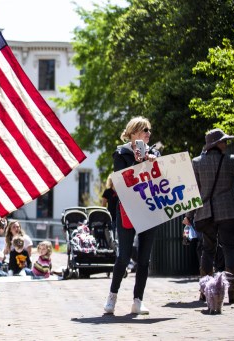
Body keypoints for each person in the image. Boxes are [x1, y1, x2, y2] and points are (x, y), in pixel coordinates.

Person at [104, 116, 160, 315]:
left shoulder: (155, 152)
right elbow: (120, 179)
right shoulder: (121, 153)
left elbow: (162, 178)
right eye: (145, 130)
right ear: (134, 132)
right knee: (124, 256)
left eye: (149, 131)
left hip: (149, 208)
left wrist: (153, 162)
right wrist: (139, 162)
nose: (148, 134)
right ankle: (112, 296)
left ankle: (138, 300)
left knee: (144, 259)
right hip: (128, 209)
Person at [183, 128, 234, 304]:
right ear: (216, 144)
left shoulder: (196, 163)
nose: (226, 144)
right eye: (223, 141)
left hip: (205, 213)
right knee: (230, 248)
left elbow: (192, 193)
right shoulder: (230, 160)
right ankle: (231, 292)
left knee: (207, 250)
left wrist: (189, 215)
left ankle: (205, 292)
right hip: (228, 212)